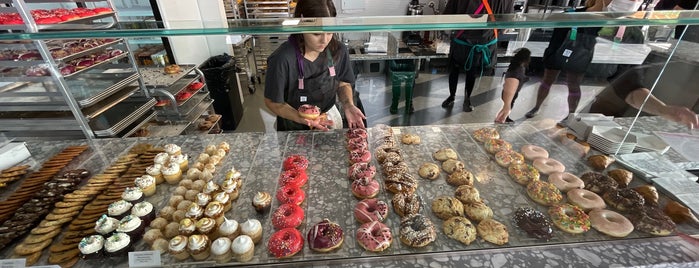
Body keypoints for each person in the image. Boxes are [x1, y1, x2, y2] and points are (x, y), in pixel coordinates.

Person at [264, 0, 366, 131]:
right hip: (294, 124)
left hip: (328, 119)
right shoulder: (282, 59)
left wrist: (348, 105)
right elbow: (272, 101)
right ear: (301, 26)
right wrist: (300, 117)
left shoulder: (338, 50)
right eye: (316, 34)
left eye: (329, 32)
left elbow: (343, 83)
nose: (325, 40)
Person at [524, 0, 609, 120]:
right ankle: (537, 107)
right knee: (548, 80)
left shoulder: (607, 19)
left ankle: (571, 115)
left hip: (580, 54)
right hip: (560, 50)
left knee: (573, 84)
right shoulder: (572, 14)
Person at [441, 0, 514, 112]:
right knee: (468, 71)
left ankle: (458, 98)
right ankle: (462, 99)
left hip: (464, 39)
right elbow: (505, 26)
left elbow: (447, 17)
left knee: (458, 69)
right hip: (477, 40)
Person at [587, 62, 698, 129]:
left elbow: (631, 91)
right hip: (575, 111)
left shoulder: (631, 33)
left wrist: (663, 109)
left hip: (581, 108)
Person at [494, 48, 531, 123]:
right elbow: (510, 88)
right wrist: (507, 104)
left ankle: (500, 118)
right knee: (507, 107)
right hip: (511, 93)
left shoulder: (516, 67)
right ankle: (502, 119)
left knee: (506, 107)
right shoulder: (517, 70)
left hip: (510, 92)